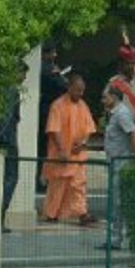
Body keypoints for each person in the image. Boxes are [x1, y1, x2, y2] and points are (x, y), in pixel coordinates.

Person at [41, 75, 97, 225]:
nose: (80, 94)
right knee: (57, 186)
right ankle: (52, 214)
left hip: (78, 155)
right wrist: (61, 150)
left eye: (82, 91)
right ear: (69, 88)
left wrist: (84, 143)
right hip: (61, 156)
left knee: (78, 185)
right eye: (78, 90)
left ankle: (82, 214)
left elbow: (89, 128)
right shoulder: (57, 105)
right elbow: (54, 130)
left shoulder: (83, 105)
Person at [99, 86, 135, 251]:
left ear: (113, 98)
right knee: (116, 202)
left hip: (121, 164)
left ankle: (117, 239)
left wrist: (134, 156)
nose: (103, 101)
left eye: (105, 97)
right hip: (116, 163)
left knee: (118, 202)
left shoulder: (121, 114)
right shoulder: (115, 114)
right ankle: (117, 238)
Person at [0, 62, 30, 233]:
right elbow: (8, 118)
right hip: (7, 141)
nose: (24, 78)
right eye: (23, 74)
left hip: (0, 140)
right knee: (10, 178)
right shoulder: (10, 91)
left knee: (3, 180)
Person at [37, 40, 68, 192]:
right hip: (48, 111)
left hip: (45, 109)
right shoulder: (47, 70)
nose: (55, 55)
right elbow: (63, 86)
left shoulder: (44, 68)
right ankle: (43, 179)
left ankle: (42, 178)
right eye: (52, 52)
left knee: (44, 146)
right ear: (45, 54)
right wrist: (60, 76)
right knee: (47, 146)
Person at [106, 42, 135, 122]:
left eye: (133, 63)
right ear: (121, 64)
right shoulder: (114, 83)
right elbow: (109, 111)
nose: (131, 67)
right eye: (128, 63)